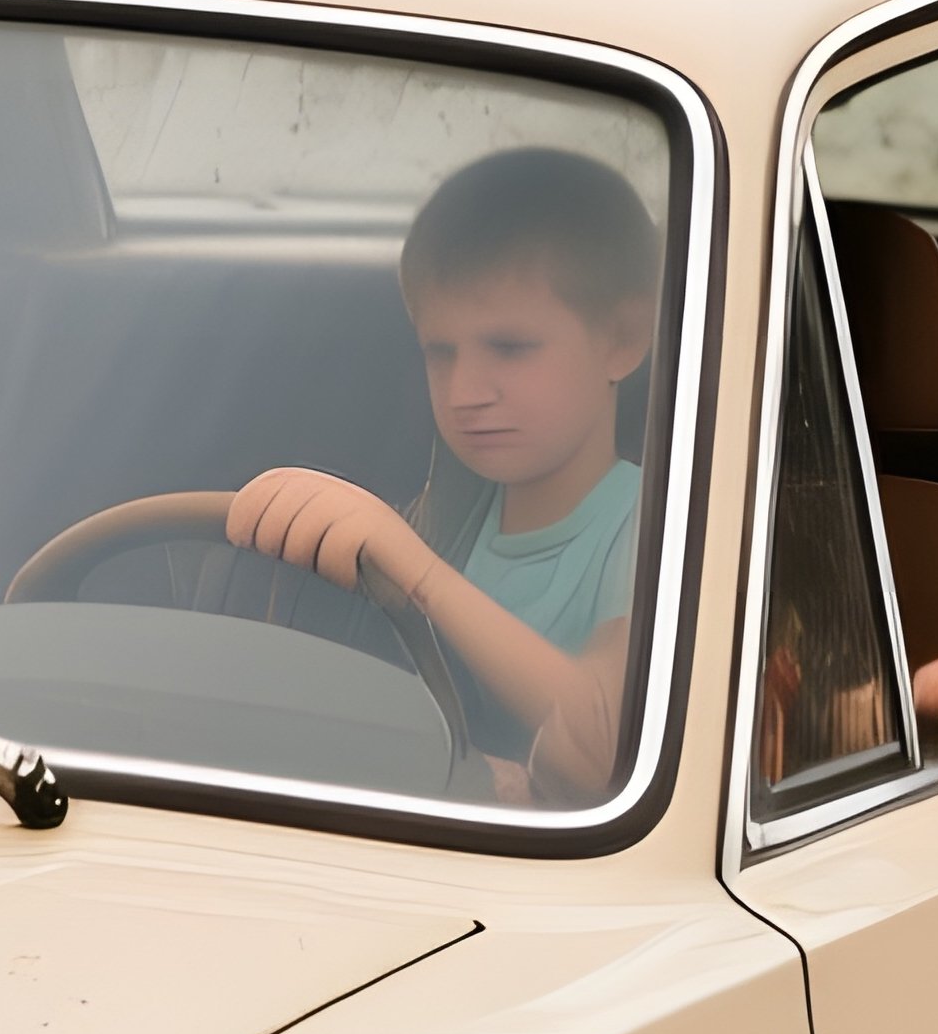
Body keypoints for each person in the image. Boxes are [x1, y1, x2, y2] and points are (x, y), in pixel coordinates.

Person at [227, 147, 657, 806]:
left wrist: (414, 568)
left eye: (509, 348)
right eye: (440, 353)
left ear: (621, 341)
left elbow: (607, 740)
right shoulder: (450, 516)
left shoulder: (646, 524)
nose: (464, 392)